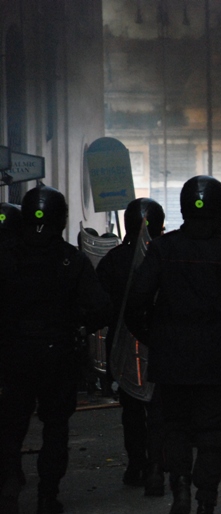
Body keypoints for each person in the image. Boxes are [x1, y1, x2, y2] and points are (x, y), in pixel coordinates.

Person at [125, 176, 221, 514]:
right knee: (209, 431)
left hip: (172, 358)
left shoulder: (163, 250)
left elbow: (135, 302)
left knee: (174, 426)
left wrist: (153, 337)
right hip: (216, 360)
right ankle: (206, 499)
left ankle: (180, 490)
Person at [0, 185, 111, 514]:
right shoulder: (71, 261)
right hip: (57, 354)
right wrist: (77, 324)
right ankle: (47, 496)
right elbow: (100, 308)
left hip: (13, 353)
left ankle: (8, 488)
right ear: (61, 220)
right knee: (55, 427)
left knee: (11, 424)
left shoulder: (7, 258)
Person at [96, 198, 166, 496]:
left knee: (132, 412)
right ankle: (156, 468)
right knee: (160, 411)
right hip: (161, 345)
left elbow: (99, 306)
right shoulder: (167, 256)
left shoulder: (113, 260)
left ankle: (137, 463)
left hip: (124, 349)